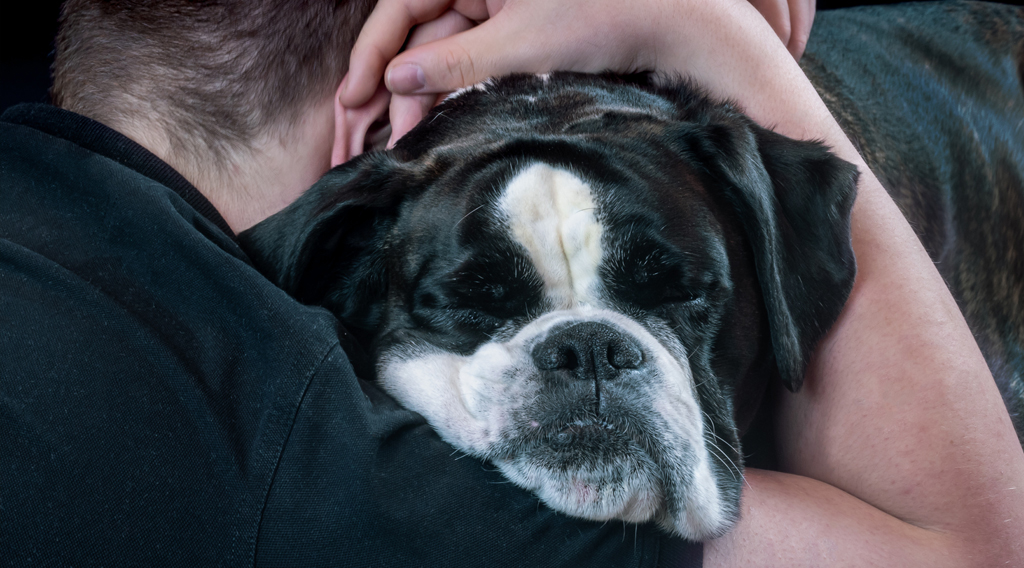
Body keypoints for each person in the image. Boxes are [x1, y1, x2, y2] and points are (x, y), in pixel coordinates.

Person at [0, 2, 1020, 568]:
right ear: (405, 76)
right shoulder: (310, 467)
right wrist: (710, 36)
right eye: (474, 297)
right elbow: (976, 556)